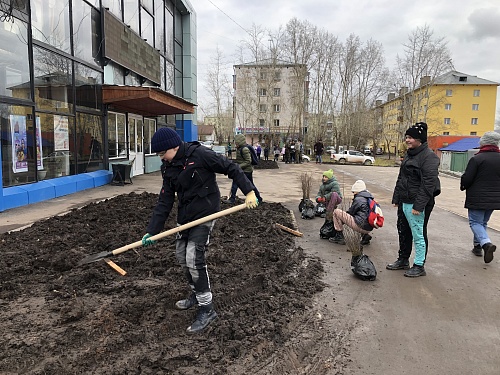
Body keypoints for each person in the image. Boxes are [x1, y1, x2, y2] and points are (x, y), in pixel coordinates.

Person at [141, 128, 259, 334]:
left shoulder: (200, 155)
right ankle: (196, 293)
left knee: (194, 259)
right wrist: (152, 231)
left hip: (206, 213)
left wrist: (249, 192)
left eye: (162, 154)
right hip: (185, 215)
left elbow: (231, 167)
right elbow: (165, 199)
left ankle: (207, 308)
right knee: (181, 256)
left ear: (174, 147)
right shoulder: (168, 167)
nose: (162, 159)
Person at [386, 122, 440, 277]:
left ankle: (419, 265)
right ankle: (403, 259)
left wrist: (419, 205)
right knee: (403, 231)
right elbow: (401, 178)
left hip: (418, 203)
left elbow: (429, 184)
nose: (407, 140)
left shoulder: (429, 157)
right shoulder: (410, 154)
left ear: (420, 139)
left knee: (418, 234)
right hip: (405, 200)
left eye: (411, 137)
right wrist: (397, 197)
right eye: (406, 137)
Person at [460, 131, 500, 263]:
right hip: (495, 198)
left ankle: (486, 244)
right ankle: (477, 247)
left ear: (483, 142)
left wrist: (463, 184)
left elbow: (468, 177)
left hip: (477, 197)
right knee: (482, 223)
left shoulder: (477, 158)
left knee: (475, 222)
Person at [329, 180, 374, 246]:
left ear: (357, 190)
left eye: (354, 191)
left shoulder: (359, 199)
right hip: (368, 227)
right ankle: (365, 236)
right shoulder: (368, 198)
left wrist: (340, 220)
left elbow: (351, 213)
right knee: (361, 217)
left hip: (361, 227)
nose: (353, 193)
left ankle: (339, 237)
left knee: (336, 212)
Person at [225, 134, 263, 204]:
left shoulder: (244, 149)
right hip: (242, 170)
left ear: (239, 142)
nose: (235, 144)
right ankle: (258, 198)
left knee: (242, 184)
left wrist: (239, 166)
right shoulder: (239, 149)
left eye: (236, 143)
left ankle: (232, 199)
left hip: (246, 171)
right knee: (241, 184)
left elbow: (248, 161)